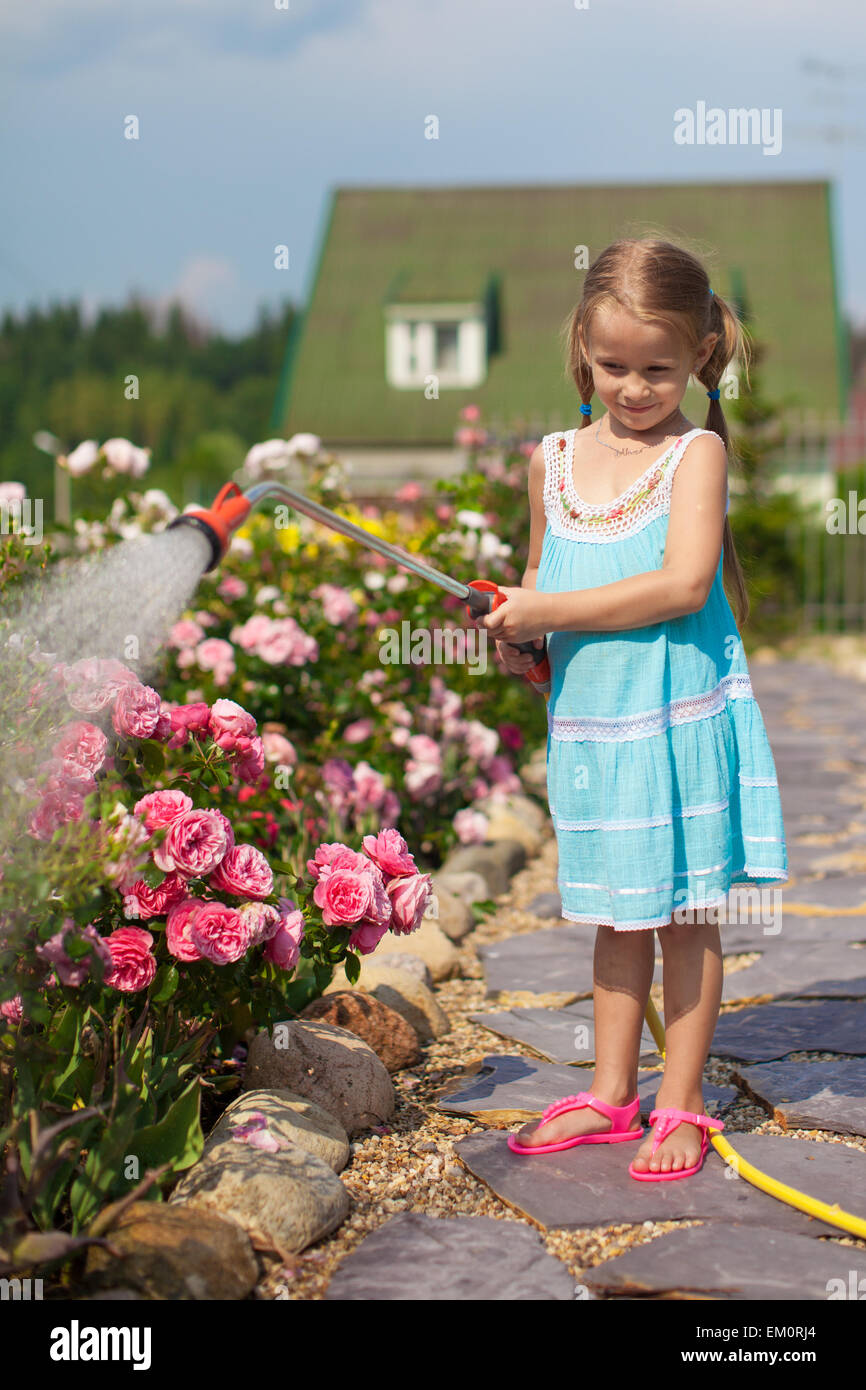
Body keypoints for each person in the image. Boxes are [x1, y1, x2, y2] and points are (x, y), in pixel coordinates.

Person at [476, 238, 787, 1180]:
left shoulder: (697, 455)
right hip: (596, 732)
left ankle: (682, 1103)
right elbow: (540, 577)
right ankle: (614, 1095)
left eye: (658, 368)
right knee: (616, 917)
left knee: (687, 916)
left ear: (699, 355)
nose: (635, 387)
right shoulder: (553, 461)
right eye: (614, 366)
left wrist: (549, 610)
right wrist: (520, 636)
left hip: (676, 720)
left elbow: (682, 586)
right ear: (582, 346)